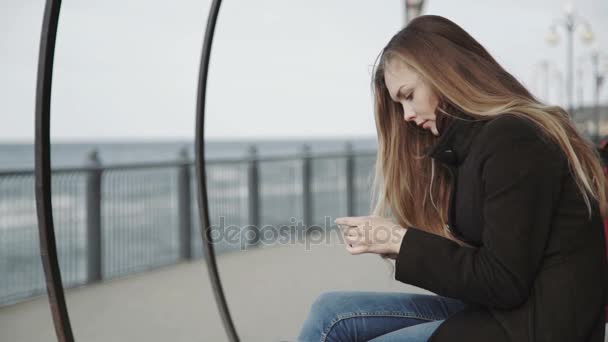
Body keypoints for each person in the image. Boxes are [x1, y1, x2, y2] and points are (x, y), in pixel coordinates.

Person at [297, 15, 608, 342]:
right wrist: (402, 246)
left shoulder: (514, 138)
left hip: (537, 327)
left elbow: (502, 281)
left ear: (443, 73)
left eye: (408, 94)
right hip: (508, 312)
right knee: (331, 313)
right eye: (398, 104)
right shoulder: (475, 144)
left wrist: (401, 242)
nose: (407, 116)